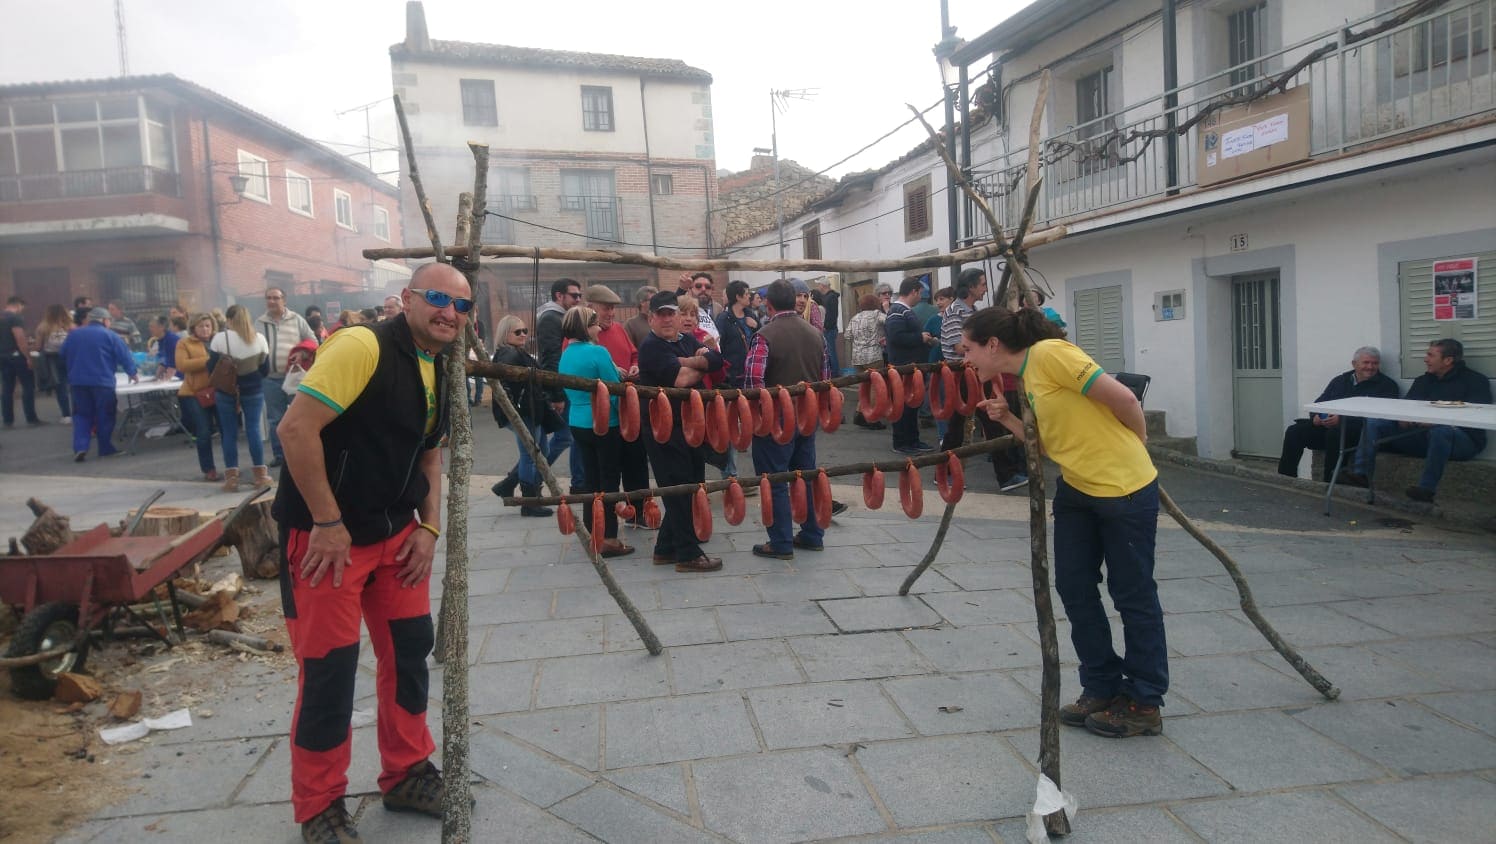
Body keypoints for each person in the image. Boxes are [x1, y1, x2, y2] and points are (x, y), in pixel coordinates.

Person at [272, 264, 468, 842]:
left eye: (461, 305)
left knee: (410, 654)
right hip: (326, 545)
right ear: (406, 299)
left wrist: (428, 529)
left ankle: (406, 770)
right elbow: (295, 430)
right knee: (329, 673)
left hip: (396, 541)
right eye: (436, 298)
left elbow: (430, 456)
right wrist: (327, 522)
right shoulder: (362, 345)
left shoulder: (439, 366)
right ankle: (318, 805)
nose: (449, 312)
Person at [964, 305, 1167, 738]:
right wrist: (1006, 419)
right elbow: (1048, 444)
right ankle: (1101, 685)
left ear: (993, 344)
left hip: (1124, 490)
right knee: (1074, 586)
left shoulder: (1052, 354)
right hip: (1077, 489)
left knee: (1132, 595)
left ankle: (1144, 701)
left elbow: (1125, 399)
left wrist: (1139, 441)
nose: (967, 358)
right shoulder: (1026, 377)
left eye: (969, 348)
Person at [636, 290, 724, 572]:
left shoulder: (686, 339)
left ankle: (665, 549)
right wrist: (698, 362)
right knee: (678, 490)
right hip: (664, 430)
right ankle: (687, 555)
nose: (667, 319)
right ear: (651, 318)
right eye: (660, 314)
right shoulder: (651, 347)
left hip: (691, 427)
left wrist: (693, 360)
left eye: (671, 313)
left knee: (691, 484)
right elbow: (681, 378)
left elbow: (718, 360)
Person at [746, 279, 830, 560]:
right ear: (794, 300)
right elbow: (825, 379)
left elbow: (754, 385)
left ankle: (781, 542)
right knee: (804, 475)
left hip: (775, 420)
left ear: (768, 304)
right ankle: (812, 534)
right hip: (808, 414)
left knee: (775, 480)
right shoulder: (817, 334)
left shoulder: (764, 336)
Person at [1347, 339, 1491, 502]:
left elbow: (1478, 414)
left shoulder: (1476, 381)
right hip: (1421, 436)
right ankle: (1361, 475)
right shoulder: (1424, 380)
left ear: (1448, 360)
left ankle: (1426, 489)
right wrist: (1402, 417)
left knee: (1441, 431)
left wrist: (1437, 421)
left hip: (1462, 441)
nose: (1425, 359)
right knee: (1373, 421)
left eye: (1430, 355)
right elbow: (1407, 408)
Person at [559, 306, 633, 557]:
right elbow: (613, 389)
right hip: (604, 422)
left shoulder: (567, 353)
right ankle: (609, 538)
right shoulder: (598, 352)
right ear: (585, 327)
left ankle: (594, 533)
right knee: (609, 480)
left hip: (578, 421)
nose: (599, 328)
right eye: (594, 324)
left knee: (591, 481)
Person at [1278, 347, 1399, 482]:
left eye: (1375, 363)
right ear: (1354, 364)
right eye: (1366, 363)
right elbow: (1320, 403)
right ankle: (1285, 479)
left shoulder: (1387, 386)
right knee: (1295, 431)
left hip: (1357, 434)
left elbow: (1381, 419)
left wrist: (1342, 420)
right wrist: (1317, 417)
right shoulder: (1340, 381)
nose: (1370, 367)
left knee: (1335, 434)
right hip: (1329, 427)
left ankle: (1330, 482)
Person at [489, 314, 563, 516]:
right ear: (506, 334)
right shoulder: (509, 354)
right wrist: (514, 410)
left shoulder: (516, 352)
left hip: (530, 410)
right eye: (517, 332)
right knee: (531, 455)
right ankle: (529, 503)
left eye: (525, 331)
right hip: (524, 412)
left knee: (541, 451)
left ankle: (511, 487)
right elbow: (503, 386)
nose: (523, 335)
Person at [587, 285, 650, 516]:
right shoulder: (584, 336)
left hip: (629, 406)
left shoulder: (619, 329)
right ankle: (610, 518)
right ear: (591, 307)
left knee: (636, 462)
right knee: (609, 468)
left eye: (613, 309)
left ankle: (641, 511)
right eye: (606, 309)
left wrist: (636, 364)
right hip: (604, 413)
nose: (611, 314)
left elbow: (634, 353)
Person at [209, 305, 271, 492]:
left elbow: (212, 367)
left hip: (226, 391)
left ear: (228, 320)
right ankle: (260, 476)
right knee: (253, 430)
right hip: (253, 389)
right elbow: (265, 370)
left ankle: (232, 479)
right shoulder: (259, 339)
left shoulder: (220, 339)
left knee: (229, 433)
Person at [61, 308, 136, 460]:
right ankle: (105, 448)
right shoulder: (110, 335)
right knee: (105, 414)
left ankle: (80, 447)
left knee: (81, 415)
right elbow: (124, 355)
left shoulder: (74, 334)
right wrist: (132, 372)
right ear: (104, 320)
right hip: (102, 382)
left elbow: (62, 353)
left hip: (78, 382)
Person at [258, 287, 319, 469]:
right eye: (269, 298)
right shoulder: (259, 323)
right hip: (270, 378)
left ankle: (301, 453)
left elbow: (313, 342)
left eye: (276, 298)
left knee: (299, 417)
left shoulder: (297, 320)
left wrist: (302, 354)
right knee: (275, 419)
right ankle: (280, 455)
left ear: (284, 300)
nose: (272, 301)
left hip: (294, 376)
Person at [537, 278, 585, 492]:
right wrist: (555, 394)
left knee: (568, 437)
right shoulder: (551, 318)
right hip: (561, 389)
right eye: (574, 295)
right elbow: (551, 359)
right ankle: (527, 478)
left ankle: (522, 478)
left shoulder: (562, 317)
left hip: (566, 387)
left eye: (579, 296)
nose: (578, 299)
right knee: (565, 437)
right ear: (559, 295)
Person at [885, 278, 935, 455]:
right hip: (903, 368)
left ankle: (913, 440)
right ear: (913, 292)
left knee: (912, 405)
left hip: (911, 368)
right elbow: (896, 336)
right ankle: (901, 443)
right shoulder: (897, 311)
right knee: (903, 406)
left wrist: (922, 337)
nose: (921, 297)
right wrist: (920, 338)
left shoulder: (904, 311)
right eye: (920, 293)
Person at [174, 313, 222, 482]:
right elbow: (182, 365)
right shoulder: (184, 343)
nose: (205, 329)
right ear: (193, 327)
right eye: (201, 326)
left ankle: (232, 467)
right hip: (195, 393)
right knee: (203, 432)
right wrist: (209, 360)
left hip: (219, 390)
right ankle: (209, 468)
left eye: (208, 325)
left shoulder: (219, 340)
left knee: (226, 429)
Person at [846, 294, 887, 429]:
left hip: (857, 357)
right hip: (873, 356)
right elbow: (889, 321)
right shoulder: (877, 314)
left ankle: (859, 413)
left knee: (864, 387)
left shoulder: (855, 317)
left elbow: (847, 335)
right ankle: (872, 418)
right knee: (875, 387)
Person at [1, 296, 42, 428]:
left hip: (2, 356)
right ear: (18, 305)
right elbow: (19, 338)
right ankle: (31, 418)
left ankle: (8, 420)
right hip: (17, 355)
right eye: (22, 308)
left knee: (7, 387)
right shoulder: (15, 318)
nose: (21, 311)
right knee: (28, 386)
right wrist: (28, 357)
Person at [34, 303, 74, 422]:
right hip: (70, 357)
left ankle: (66, 415)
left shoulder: (43, 327)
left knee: (60, 386)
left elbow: (38, 346)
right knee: (75, 385)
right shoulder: (70, 325)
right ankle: (79, 412)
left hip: (52, 358)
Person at [924, 287, 954, 436]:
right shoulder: (934, 319)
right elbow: (925, 334)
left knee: (954, 400)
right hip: (936, 363)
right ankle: (943, 435)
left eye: (942, 299)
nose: (938, 302)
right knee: (940, 401)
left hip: (954, 364)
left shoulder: (956, 317)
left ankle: (954, 433)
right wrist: (929, 339)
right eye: (937, 299)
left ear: (952, 299)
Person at [816, 279, 841, 377]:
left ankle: (835, 374)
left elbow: (832, 314)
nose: (818, 287)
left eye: (819, 285)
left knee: (831, 352)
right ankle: (833, 373)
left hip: (829, 329)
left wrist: (826, 326)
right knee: (829, 352)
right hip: (828, 329)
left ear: (823, 285)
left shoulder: (831, 297)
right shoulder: (827, 297)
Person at [689, 272, 720, 341]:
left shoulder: (719, 309)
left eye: (708, 287)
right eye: (698, 286)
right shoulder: (685, 307)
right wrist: (681, 289)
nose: (703, 289)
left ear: (712, 289)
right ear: (691, 288)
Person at [624, 285, 656, 351]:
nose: (656, 302)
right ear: (642, 302)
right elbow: (629, 350)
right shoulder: (631, 324)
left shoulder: (660, 320)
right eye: (653, 299)